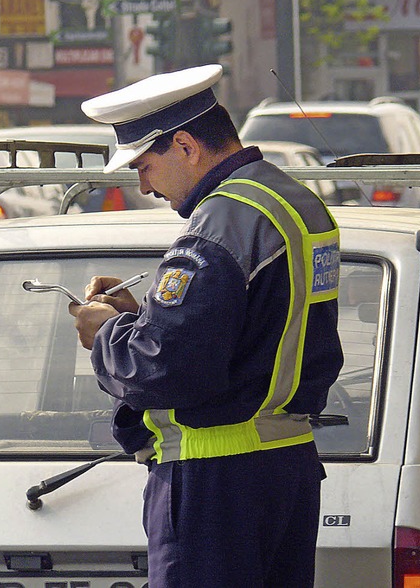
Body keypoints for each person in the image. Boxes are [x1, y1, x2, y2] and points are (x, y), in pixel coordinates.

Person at [69, 64, 344, 588]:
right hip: (286, 469)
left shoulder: (217, 224)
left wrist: (105, 335)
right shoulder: (292, 200)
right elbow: (250, 330)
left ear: (186, 145)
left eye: (145, 166)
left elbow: (166, 371)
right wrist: (139, 318)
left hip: (214, 483)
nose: (144, 185)